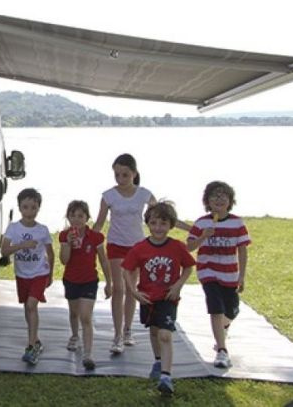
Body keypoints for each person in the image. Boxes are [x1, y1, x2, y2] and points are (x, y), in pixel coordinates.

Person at [92, 153, 189, 354]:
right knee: (118, 288)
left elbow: (164, 214)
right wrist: (88, 239)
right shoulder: (108, 196)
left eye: (125, 175)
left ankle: (128, 330)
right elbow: (99, 223)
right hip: (116, 245)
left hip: (137, 247)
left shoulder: (144, 194)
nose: (121, 179)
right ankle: (117, 335)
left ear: (134, 174)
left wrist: (192, 229)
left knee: (131, 289)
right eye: (117, 175)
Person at [122, 202, 195, 396]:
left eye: (163, 223)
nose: (158, 228)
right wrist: (133, 291)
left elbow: (188, 266)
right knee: (154, 332)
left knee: (165, 334)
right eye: (153, 223)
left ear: (171, 224)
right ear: (147, 224)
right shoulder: (140, 248)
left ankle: (166, 376)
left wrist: (178, 285)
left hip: (168, 298)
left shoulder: (177, 247)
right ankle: (158, 360)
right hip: (148, 298)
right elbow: (127, 269)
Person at [186, 181, 250, 369]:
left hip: (230, 274)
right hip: (208, 272)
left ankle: (223, 328)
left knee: (232, 310)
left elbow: (243, 250)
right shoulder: (201, 223)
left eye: (223, 195)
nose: (219, 199)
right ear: (207, 201)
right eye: (214, 195)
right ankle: (222, 350)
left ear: (230, 201)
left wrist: (242, 276)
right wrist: (203, 236)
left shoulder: (237, 223)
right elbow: (189, 247)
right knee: (216, 308)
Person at [0, 188, 54, 364]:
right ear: (19, 208)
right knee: (27, 307)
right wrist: (22, 245)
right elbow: (4, 250)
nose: (29, 212)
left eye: (33, 208)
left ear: (38, 208)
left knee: (32, 304)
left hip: (40, 273)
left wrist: (50, 274)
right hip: (22, 274)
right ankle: (35, 339)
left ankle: (30, 347)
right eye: (25, 207)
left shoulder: (42, 230)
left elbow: (50, 253)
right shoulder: (13, 228)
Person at [58, 200, 112, 370]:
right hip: (71, 279)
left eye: (80, 216)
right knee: (74, 313)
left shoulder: (95, 237)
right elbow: (64, 260)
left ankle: (88, 354)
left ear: (87, 218)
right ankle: (75, 335)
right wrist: (68, 243)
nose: (76, 219)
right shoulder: (64, 235)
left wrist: (109, 282)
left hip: (89, 280)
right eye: (72, 215)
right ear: (68, 217)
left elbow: (103, 260)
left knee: (85, 316)